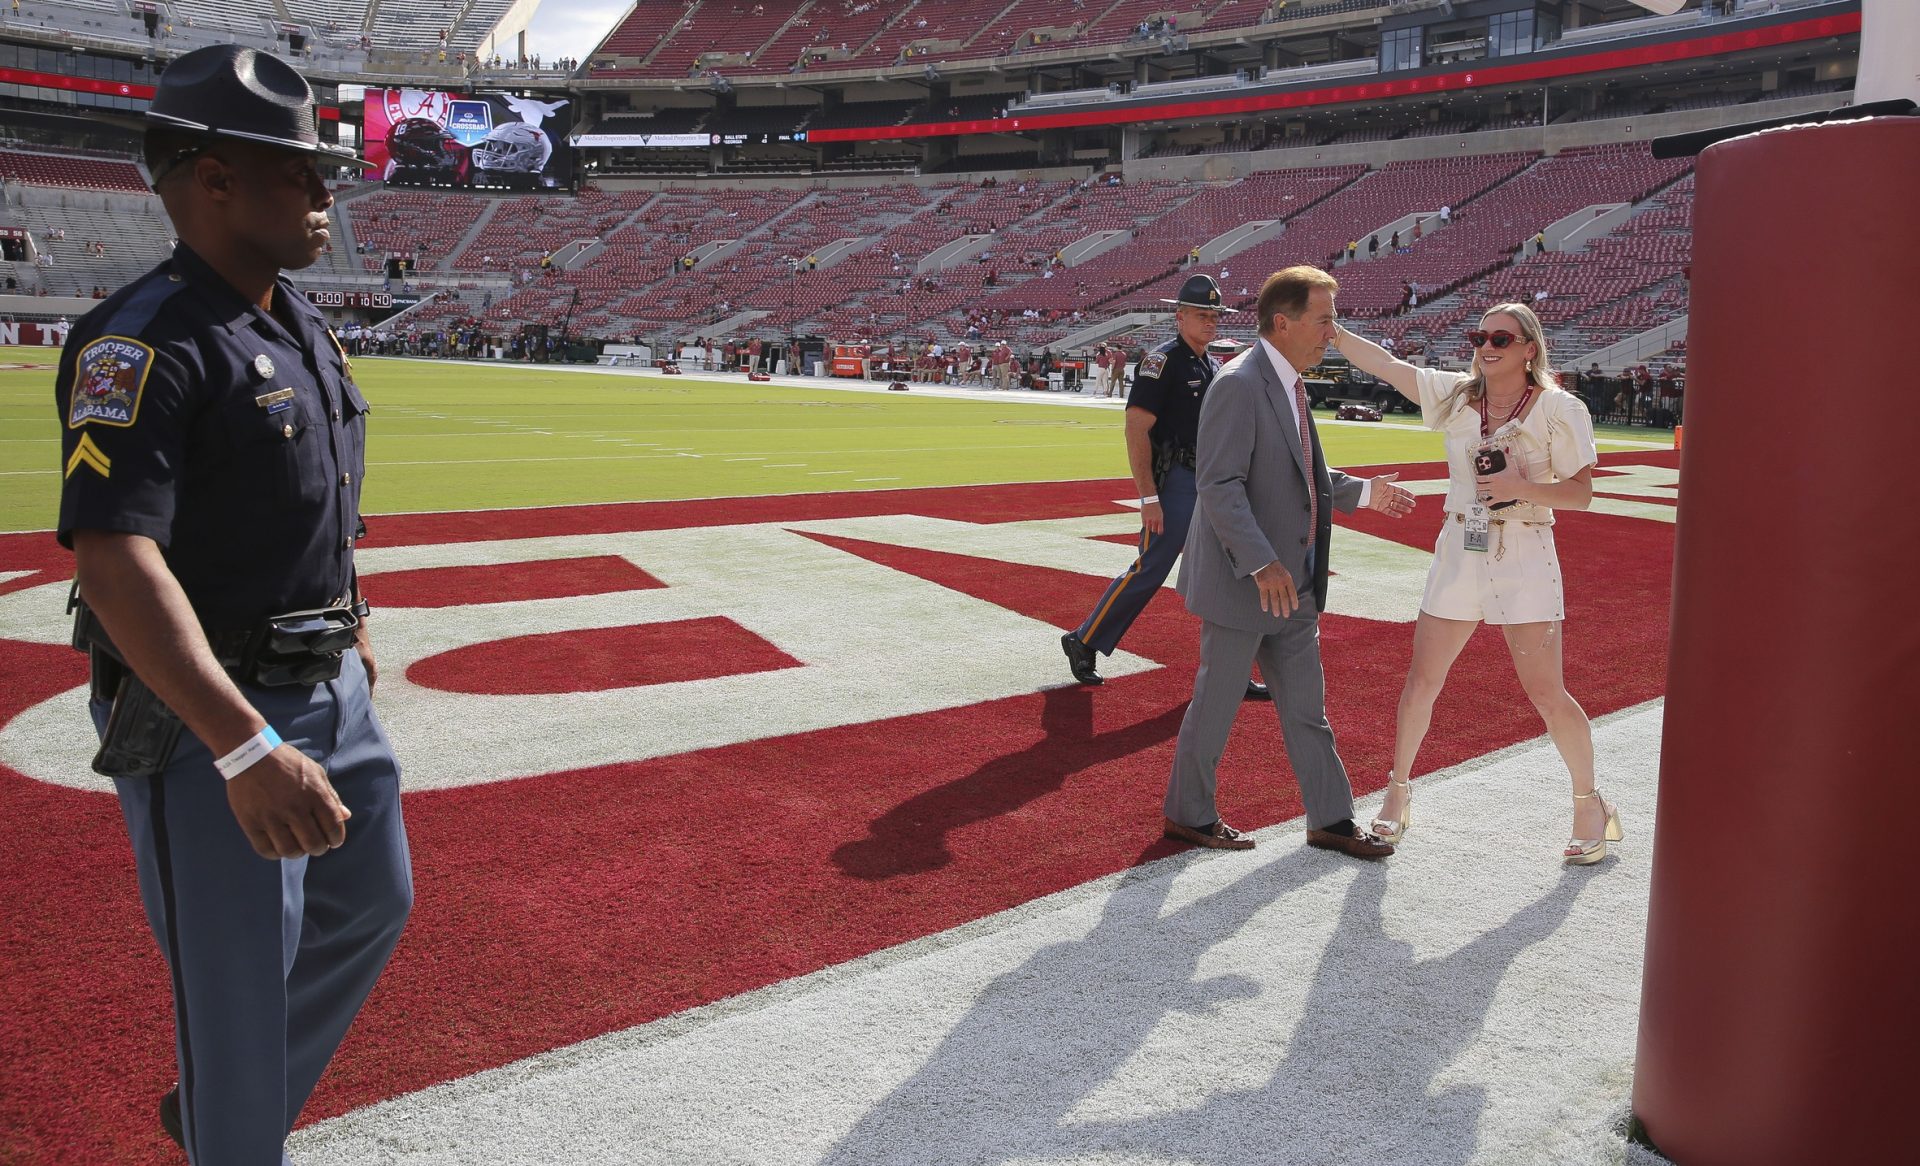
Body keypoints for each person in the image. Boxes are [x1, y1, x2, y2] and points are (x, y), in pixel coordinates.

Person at [53, 45, 412, 1164]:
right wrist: (242, 745)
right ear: (210, 178)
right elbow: (115, 561)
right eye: (298, 171)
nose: (324, 192)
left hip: (329, 683)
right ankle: (234, 1118)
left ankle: (221, 1100)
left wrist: (347, 620)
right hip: (217, 714)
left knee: (372, 903)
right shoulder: (143, 336)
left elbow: (317, 496)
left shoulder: (293, 319)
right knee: (240, 989)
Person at [1333, 302, 1617, 864]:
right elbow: (1388, 366)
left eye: (1502, 339)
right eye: (1480, 336)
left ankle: (1590, 803)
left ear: (1529, 349)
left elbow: (1582, 493)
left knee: (1545, 691)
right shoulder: (1457, 395)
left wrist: (1520, 484)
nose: (1487, 346)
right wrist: (1333, 328)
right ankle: (1398, 791)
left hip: (1526, 551)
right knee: (1422, 680)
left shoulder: (1561, 408)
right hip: (1461, 546)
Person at [1162, 266, 1416, 854]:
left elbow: (1302, 474)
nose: (1333, 331)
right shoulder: (1239, 384)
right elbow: (1219, 485)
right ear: (1284, 322)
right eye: (1324, 319)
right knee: (1216, 707)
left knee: (1307, 710)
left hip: (1292, 580)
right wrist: (1260, 563)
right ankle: (1188, 814)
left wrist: (1363, 493)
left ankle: (1330, 819)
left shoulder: (1289, 384)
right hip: (1245, 581)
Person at [1060, 275, 1270, 700]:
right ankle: (1085, 639)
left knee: (1232, 571)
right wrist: (1149, 497)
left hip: (1211, 482)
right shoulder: (1163, 361)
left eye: (1215, 316)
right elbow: (1136, 427)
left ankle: (1229, 668)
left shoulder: (1209, 364)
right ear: (1180, 317)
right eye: (1201, 315)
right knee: (1151, 567)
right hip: (1176, 481)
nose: (1210, 323)